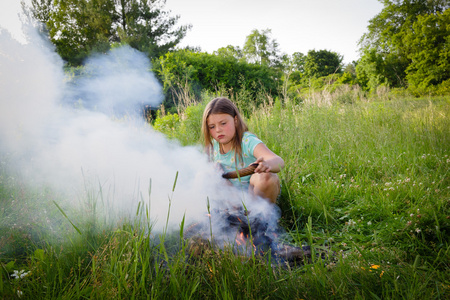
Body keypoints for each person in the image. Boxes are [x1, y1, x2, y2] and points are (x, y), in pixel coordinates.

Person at [202, 97, 284, 203]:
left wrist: (267, 164)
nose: (218, 130)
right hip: (231, 200)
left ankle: (260, 217)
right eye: (212, 127)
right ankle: (232, 215)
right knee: (206, 174)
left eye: (223, 123)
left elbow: (279, 161)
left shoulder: (247, 141)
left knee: (267, 176)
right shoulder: (212, 148)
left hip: (255, 197)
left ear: (235, 120)